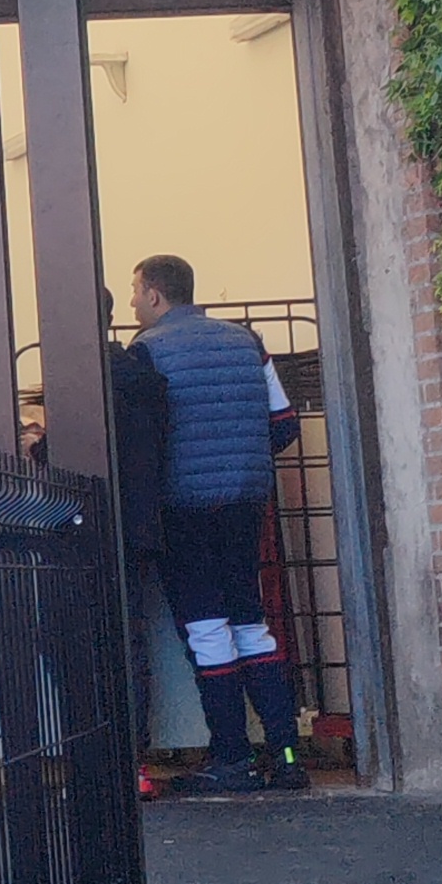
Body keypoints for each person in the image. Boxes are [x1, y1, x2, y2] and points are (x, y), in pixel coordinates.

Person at [129, 256, 305, 796]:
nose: (133, 303)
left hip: (184, 506)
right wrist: (241, 458)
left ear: (155, 295)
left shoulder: (147, 351)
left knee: (207, 630)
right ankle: (287, 755)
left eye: (136, 292)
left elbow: (143, 439)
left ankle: (232, 757)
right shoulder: (248, 342)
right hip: (247, 501)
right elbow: (284, 425)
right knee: (251, 624)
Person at [103, 285, 174, 792]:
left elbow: (77, 449)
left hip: (89, 526)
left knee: (71, 643)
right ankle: (135, 763)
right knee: (130, 642)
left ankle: (99, 759)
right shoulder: (140, 370)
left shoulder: (84, 373)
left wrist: (35, 446)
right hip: (140, 524)